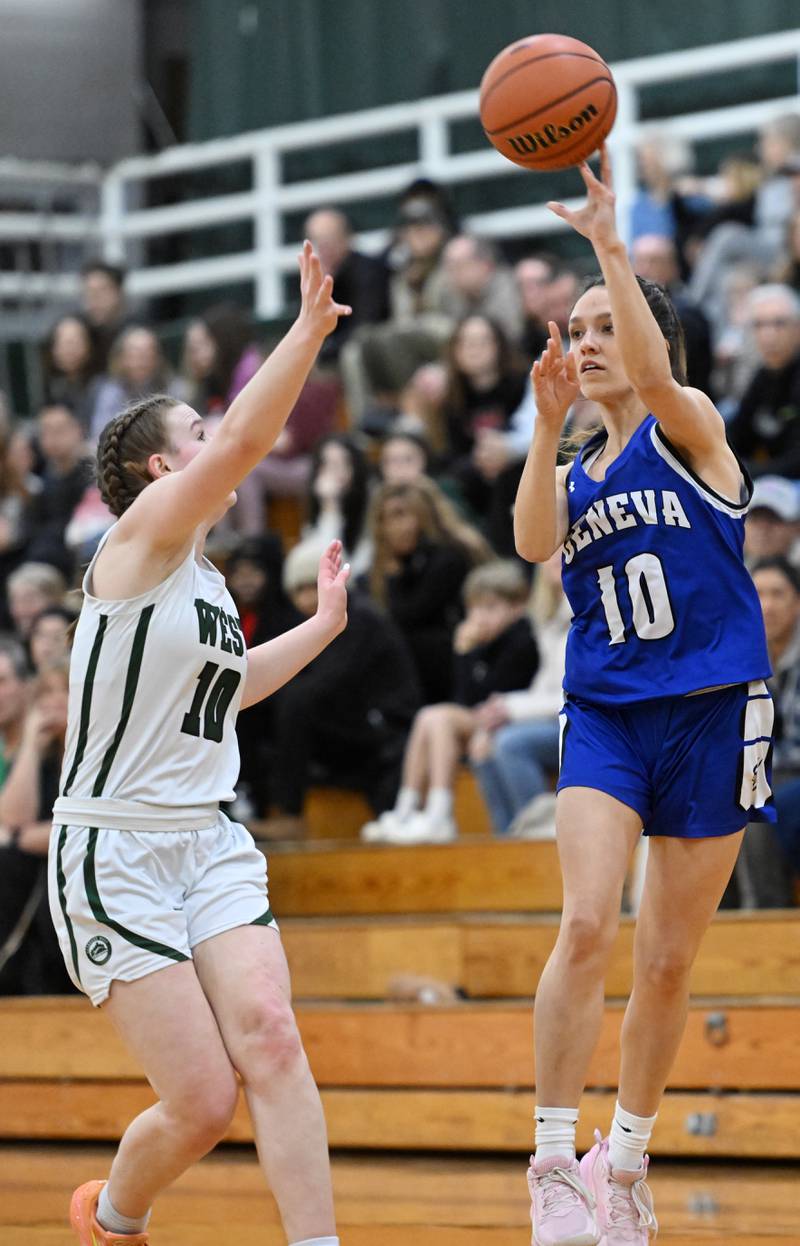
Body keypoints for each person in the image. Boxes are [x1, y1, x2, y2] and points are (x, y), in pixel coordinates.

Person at [50, 241, 353, 1246]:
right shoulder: (135, 543)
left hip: (205, 840)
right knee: (202, 1102)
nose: (219, 437)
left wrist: (320, 629)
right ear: (160, 467)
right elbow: (247, 444)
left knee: (270, 1034)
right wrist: (307, 332)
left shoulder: (208, 585)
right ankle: (115, 1214)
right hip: (113, 849)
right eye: (200, 430)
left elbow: (227, 693)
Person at [514, 147, 775, 1246]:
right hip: (611, 713)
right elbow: (530, 542)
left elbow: (662, 377)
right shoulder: (575, 471)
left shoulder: (688, 428)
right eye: (568, 331)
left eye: (597, 327)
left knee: (667, 960)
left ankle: (622, 1162)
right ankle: (549, 1161)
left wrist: (607, 249)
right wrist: (539, 426)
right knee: (583, 923)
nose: (580, 344)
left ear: (644, 339)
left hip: (715, 709)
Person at [361, 559, 539, 845]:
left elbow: (494, 693)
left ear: (517, 607)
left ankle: (439, 814)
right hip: (481, 718)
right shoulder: (481, 643)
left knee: (440, 717)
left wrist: (467, 655)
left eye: (490, 608)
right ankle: (405, 810)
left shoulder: (522, 640)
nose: (480, 617)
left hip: (506, 719)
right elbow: (464, 697)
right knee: (428, 716)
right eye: (475, 608)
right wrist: (464, 652)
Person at [262, 538, 422, 839]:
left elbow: (325, 685)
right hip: (354, 720)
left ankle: (290, 813)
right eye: (299, 590)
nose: (308, 597)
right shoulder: (314, 622)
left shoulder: (358, 617)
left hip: (387, 730)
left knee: (295, 701)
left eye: (313, 585)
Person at [469, 550, 570, 835]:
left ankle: (539, 833)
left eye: (563, 549)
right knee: (483, 747)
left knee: (511, 744)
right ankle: (509, 842)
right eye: (549, 552)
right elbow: (544, 685)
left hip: (586, 723)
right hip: (556, 718)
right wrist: (500, 712)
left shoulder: (591, 613)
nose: (554, 557)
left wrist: (510, 709)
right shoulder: (552, 618)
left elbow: (574, 694)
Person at [366, 477, 490, 703]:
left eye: (401, 514)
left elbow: (409, 615)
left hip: (459, 654)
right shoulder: (397, 562)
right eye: (385, 518)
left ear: (423, 515)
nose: (393, 526)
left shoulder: (450, 555)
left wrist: (394, 579)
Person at [0, 662, 76, 995]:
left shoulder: (103, 755)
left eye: (65, 690)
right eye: (46, 692)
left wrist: (29, 837)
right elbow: (13, 821)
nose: (55, 701)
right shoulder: (42, 758)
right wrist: (31, 743)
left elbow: (92, 829)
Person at [727, 284, 800, 479]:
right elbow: (737, 435)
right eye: (759, 325)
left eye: (779, 323)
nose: (768, 335)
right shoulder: (763, 375)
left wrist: (743, 472)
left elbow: (795, 462)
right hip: (769, 473)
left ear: (798, 329)